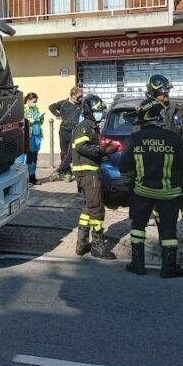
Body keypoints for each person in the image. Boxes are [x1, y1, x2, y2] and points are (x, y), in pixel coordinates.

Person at [120, 98, 183, 278]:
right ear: (159, 116)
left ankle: (137, 264)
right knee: (169, 229)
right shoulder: (173, 138)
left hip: (142, 192)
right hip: (169, 194)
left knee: (138, 226)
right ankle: (169, 267)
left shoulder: (134, 139)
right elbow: (182, 166)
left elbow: (124, 166)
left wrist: (131, 185)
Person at [145, 74, 183, 253]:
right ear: (153, 93)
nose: (166, 95)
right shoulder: (146, 112)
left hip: (178, 168)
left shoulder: (178, 110)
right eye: (162, 92)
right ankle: (165, 237)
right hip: (157, 170)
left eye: (167, 91)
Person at [70, 94, 118, 259]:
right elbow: (81, 146)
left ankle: (82, 244)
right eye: (98, 111)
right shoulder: (85, 126)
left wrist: (103, 155)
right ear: (88, 111)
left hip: (88, 172)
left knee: (88, 208)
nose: (101, 114)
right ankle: (97, 246)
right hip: (88, 174)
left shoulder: (91, 126)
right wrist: (103, 151)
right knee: (97, 208)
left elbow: (88, 149)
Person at [48, 86, 84, 182]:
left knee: (70, 153)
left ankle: (59, 171)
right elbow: (51, 107)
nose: (81, 98)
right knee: (64, 152)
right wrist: (57, 115)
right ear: (72, 95)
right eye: (79, 96)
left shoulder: (81, 105)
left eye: (82, 96)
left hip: (74, 131)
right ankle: (68, 173)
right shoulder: (63, 103)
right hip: (63, 131)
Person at [23, 93, 45, 185]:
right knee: (28, 158)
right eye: (34, 101)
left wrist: (41, 118)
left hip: (37, 134)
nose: (35, 103)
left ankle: (33, 177)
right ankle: (27, 179)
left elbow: (40, 122)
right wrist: (34, 119)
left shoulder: (36, 108)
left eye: (36, 101)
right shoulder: (24, 109)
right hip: (29, 135)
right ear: (28, 99)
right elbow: (28, 120)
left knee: (34, 158)